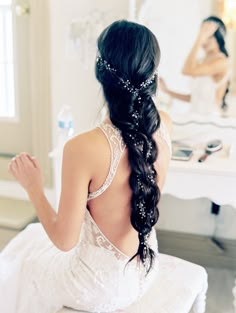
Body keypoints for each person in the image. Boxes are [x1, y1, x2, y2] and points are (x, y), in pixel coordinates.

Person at [0, 20, 172, 313]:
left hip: (99, 287)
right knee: (30, 242)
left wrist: (34, 188)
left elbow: (65, 241)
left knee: (19, 256)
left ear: (99, 72)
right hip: (145, 269)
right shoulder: (164, 125)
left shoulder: (83, 148)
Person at [160, 16, 231, 115]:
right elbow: (194, 99)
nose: (204, 41)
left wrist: (200, 38)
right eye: (202, 34)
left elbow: (187, 70)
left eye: (208, 36)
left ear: (219, 37)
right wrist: (167, 91)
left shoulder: (221, 61)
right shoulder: (200, 61)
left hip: (210, 120)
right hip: (194, 117)